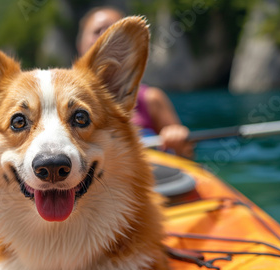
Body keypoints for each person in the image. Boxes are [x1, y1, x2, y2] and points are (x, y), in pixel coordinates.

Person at [77, 6, 193, 158]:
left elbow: (187, 155)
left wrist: (177, 137)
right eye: (97, 31)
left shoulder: (151, 99)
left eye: (112, 31)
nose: (105, 38)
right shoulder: (59, 99)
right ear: (80, 43)